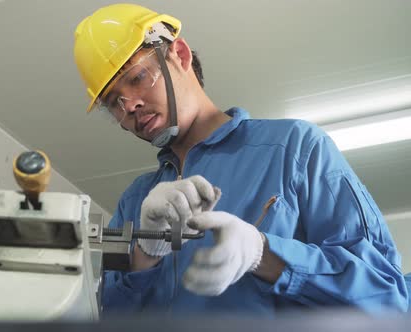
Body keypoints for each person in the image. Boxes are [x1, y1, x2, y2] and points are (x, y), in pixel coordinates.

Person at [73, 3, 408, 315]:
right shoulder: (135, 201)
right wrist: (144, 254)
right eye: (114, 101)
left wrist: (263, 253)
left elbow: (387, 295)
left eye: (137, 78)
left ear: (180, 55)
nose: (128, 106)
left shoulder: (293, 148)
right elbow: (107, 315)